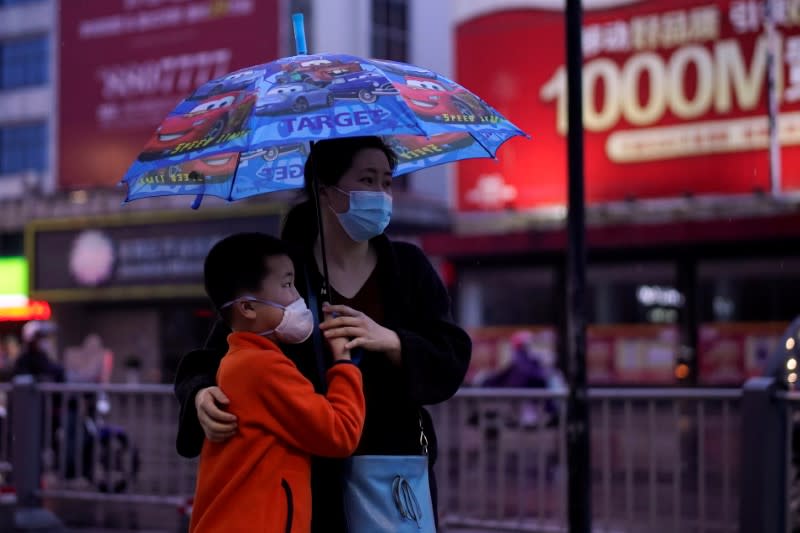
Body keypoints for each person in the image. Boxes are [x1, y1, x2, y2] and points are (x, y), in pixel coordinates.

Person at [174, 136, 472, 532]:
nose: (381, 194)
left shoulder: (408, 267)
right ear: (325, 191)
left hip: (392, 470)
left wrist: (394, 342)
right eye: (367, 180)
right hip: (304, 478)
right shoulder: (282, 269)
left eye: (386, 182)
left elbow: (450, 354)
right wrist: (199, 394)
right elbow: (219, 352)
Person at [189, 232, 365, 533]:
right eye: (286, 285)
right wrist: (344, 363)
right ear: (248, 308)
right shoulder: (264, 366)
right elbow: (341, 433)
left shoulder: (239, 360)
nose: (297, 296)